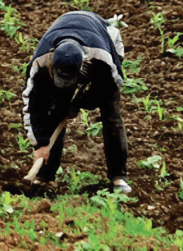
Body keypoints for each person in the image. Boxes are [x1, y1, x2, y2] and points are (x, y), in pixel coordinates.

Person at [22, 10, 131, 193]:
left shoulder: (102, 58)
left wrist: (79, 103)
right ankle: (45, 176)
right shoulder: (40, 63)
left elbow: (109, 86)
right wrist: (40, 144)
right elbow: (33, 106)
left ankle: (118, 177)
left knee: (111, 113)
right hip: (68, 37)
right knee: (56, 113)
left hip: (106, 42)